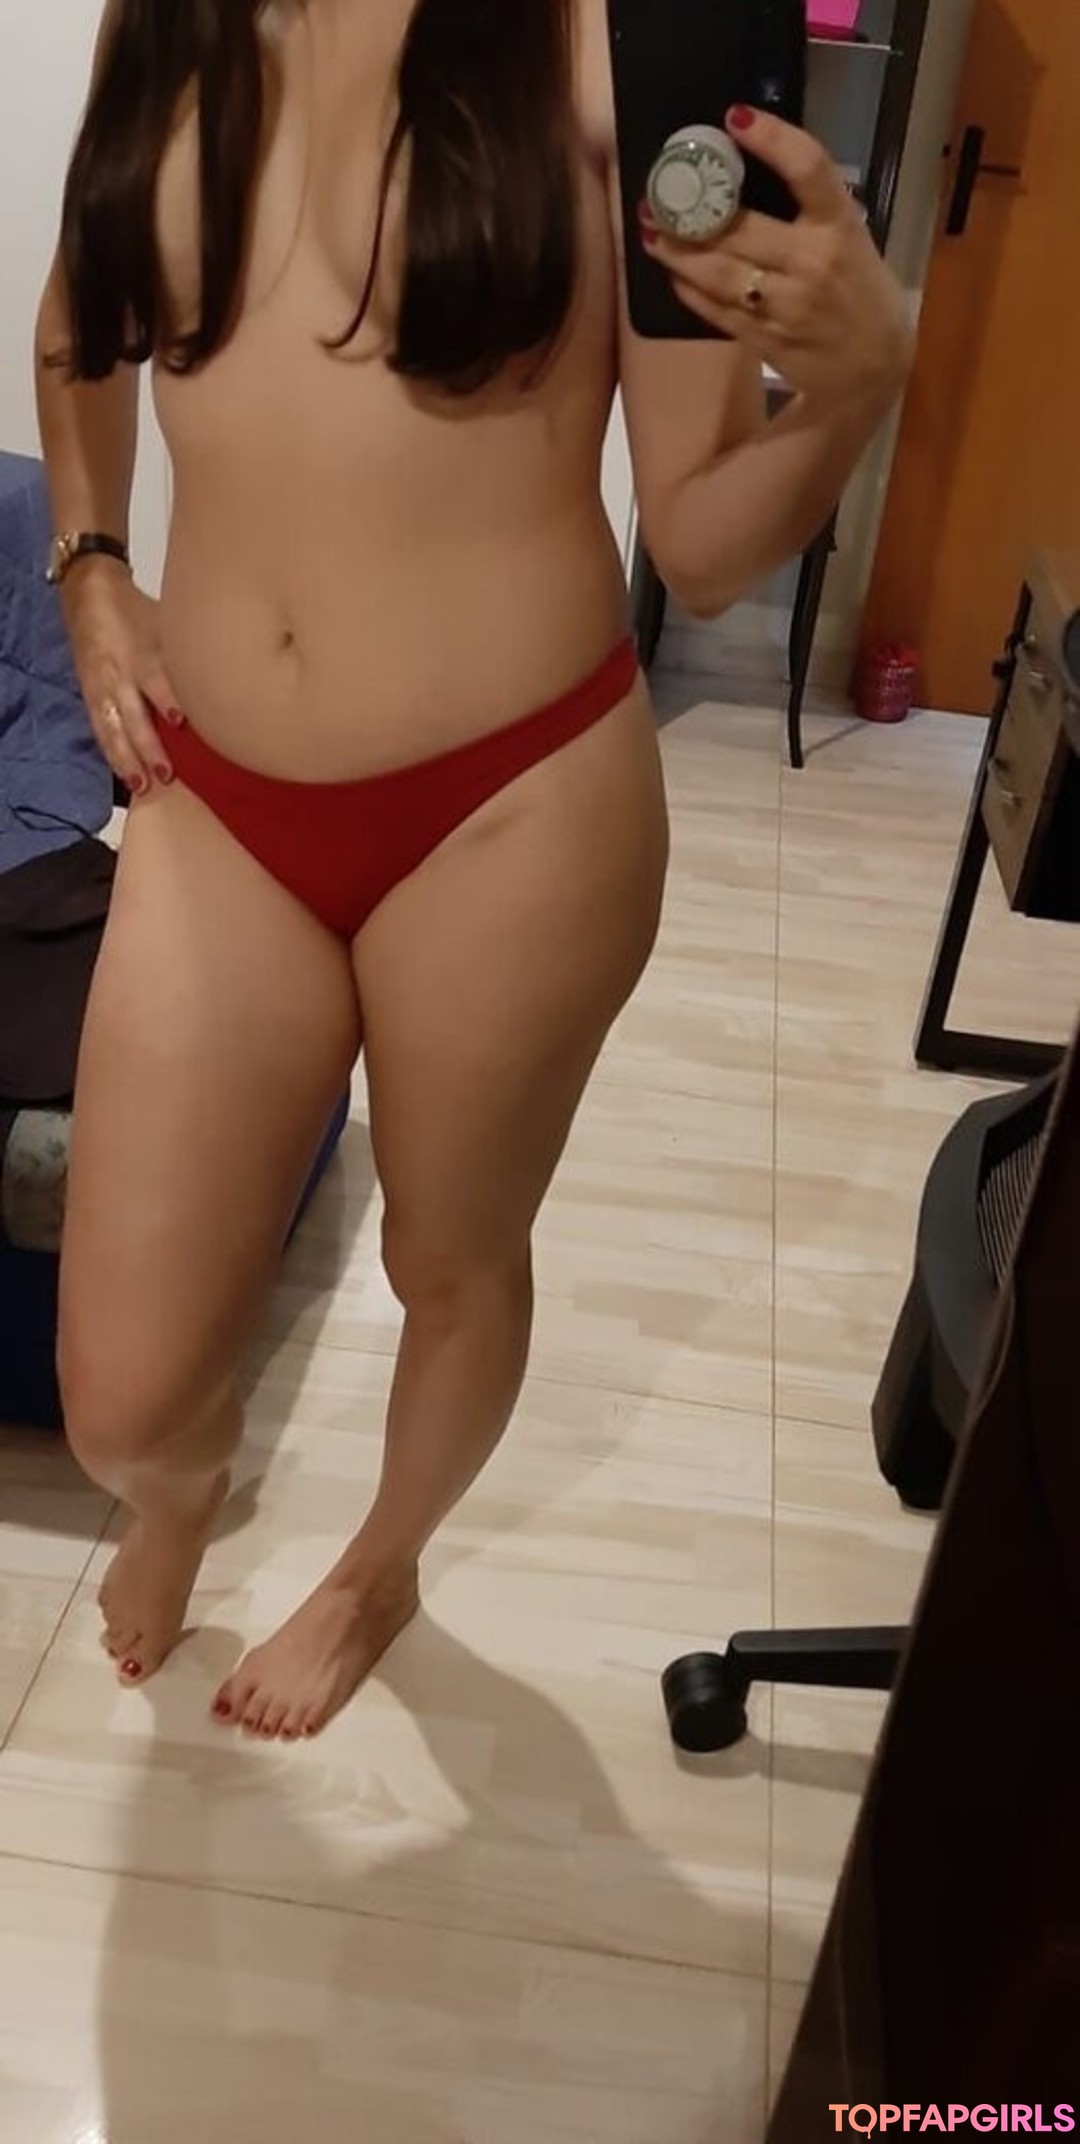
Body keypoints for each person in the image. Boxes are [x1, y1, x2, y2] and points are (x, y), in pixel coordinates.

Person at [36, 0, 910, 1742]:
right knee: (120, 1404)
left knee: (452, 1258)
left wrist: (860, 382)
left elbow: (700, 540)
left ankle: (380, 1565)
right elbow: (83, 311)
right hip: (221, 798)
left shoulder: (640, 32)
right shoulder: (176, 14)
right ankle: (183, 1493)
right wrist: (91, 560)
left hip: (510, 801)